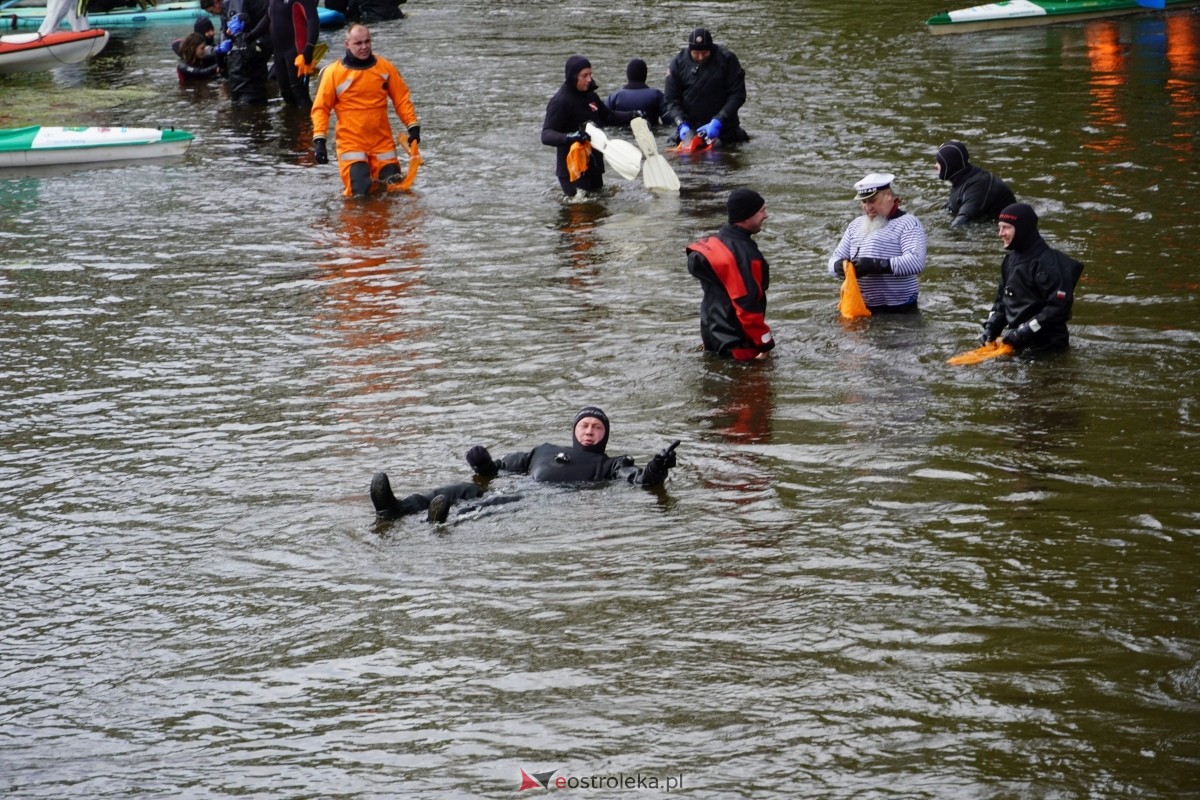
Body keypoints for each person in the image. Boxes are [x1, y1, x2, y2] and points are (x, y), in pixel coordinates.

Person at [370, 407, 679, 523]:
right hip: (524, 485)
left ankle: (439, 521)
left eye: (596, 428)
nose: (589, 432)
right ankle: (395, 508)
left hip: (540, 499)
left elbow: (641, 481)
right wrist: (482, 462)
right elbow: (498, 469)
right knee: (461, 488)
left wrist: (659, 466)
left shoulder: (611, 465)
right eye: (584, 426)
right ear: (573, 430)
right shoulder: (542, 451)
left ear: (605, 435)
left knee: (498, 500)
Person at [311, 24, 421, 196]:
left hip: (382, 142)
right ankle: (357, 222)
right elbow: (321, 109)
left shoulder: (385, 68)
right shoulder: (333, 73)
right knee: (359, 192)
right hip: (351, 143)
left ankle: (386, 223)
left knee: (393, 192)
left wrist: (412, 126)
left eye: (367, 41)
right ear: (347, 44)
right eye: (358, 43)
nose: (364, 47)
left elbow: (401, 99)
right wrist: (320, 141)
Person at [978, 203, 1084, 353]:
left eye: (1006, 227)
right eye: (999, 227)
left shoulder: (1049, 264)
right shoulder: (1009, 261)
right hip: (1017, 344)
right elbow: (1002, 301)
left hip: (1049, 349)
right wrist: (991, 328)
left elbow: (1058, 308)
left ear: (1022, 229)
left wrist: (1025, 331)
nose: (1000, 233)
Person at [685, 189, 774, 361]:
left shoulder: (714, 244)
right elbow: (747, 305)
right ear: (747, 216)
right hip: (737, 343)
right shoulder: (745, 256)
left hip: (711, 336)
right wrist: (765, 343)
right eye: (762, 210)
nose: (766, 215)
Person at [827, 172, 927, 313]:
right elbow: (833, 261)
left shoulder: (909, 223)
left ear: (888, 195)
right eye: (864, 202)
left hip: (900, 310)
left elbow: (916, 262)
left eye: (873, 201)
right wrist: (839, 266)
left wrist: (877, 265)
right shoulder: (855, 225)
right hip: (859, 307)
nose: (868, 207)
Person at [541, 55, 637, 198]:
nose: (589, 79)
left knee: (599, 213)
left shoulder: (591, 97)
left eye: (590, 74)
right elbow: (546, 134)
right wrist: (571, 137)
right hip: (572, 170)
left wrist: (633, 115)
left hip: (594, 166)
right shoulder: (561, 101)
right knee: (580, 213)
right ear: (573, 77)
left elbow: (608, 117)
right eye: (584, 76)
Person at [663, 27, 748, 145]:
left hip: (723, 128)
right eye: (696, 53)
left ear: (711, 48)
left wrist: (720, 119)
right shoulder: (678, 63)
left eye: (705, 53)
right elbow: (671, 99)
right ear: (690, 50)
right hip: (691, 129)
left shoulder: (727, 59)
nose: (701, 57)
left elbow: (737, 95)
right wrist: (681, 123)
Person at [935, 140, 1017, 228]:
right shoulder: (963, 179)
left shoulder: (979, 185)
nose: (935, 166)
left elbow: (962, 222)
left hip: (1007, 228)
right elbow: (953, 206)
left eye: (939, 162)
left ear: (948, 164)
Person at [266, 0, 320, 109]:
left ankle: (309, 124)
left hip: (297, 53)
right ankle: (292, 124)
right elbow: (268, 17)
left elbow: (312, 20)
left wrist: (309, 47)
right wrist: (250, 36)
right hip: (279, 53)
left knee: (300, 94)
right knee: (286, 94)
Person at [605, 58, 669, 127]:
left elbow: (602, 119)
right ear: (645, 75)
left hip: (620, 135)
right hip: (649, 134)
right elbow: (670, 121)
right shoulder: (656, 95)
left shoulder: (614, 97)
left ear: (628, 75)